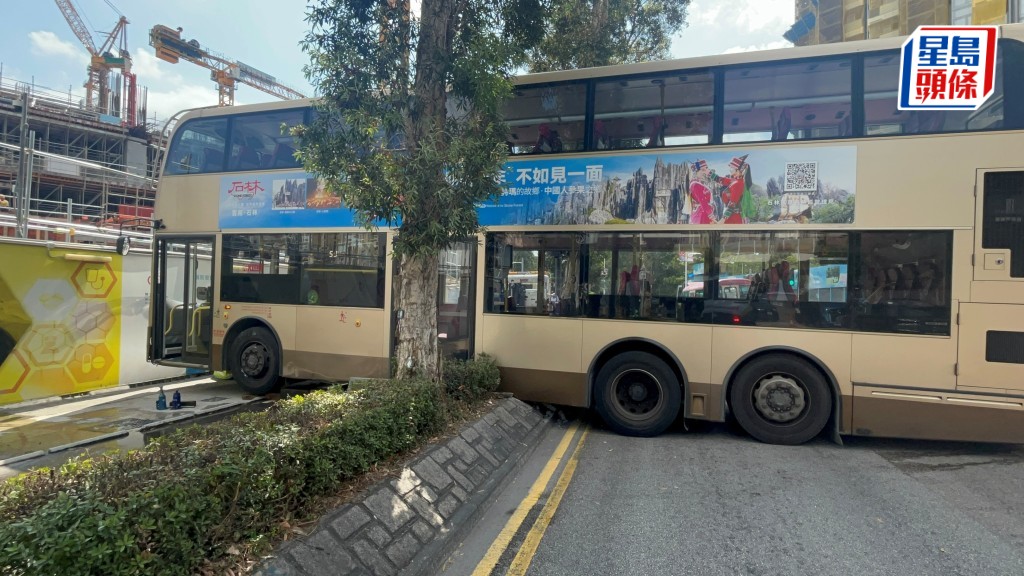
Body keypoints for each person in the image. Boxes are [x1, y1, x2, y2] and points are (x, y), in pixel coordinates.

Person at [688, 160, 716, 224]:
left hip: (703, 213)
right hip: (702, 215)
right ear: (696, 172)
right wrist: (711, 216)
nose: (705, 172)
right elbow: (703, 201)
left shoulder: (698, 183)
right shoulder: (695, 184)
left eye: (705, 170)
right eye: (703, 170)